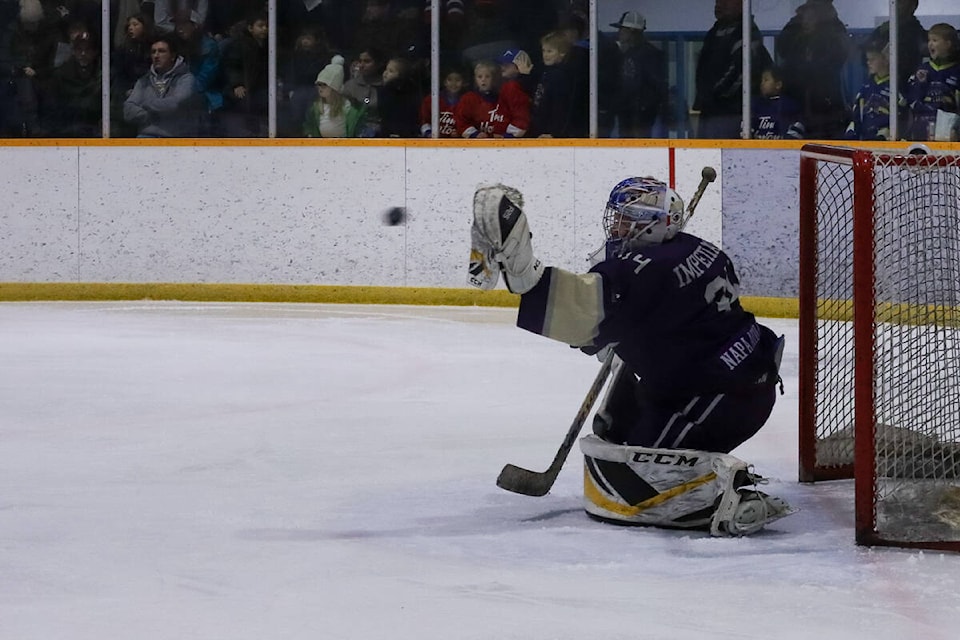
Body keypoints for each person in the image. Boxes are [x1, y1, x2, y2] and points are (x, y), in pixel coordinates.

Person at [468, 178, 792, 535]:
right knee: (617, 436)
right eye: (618, 218)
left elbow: (584, 312)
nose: (618, 227)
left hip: (719, 398)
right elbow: (663, 315)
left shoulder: (644, 269)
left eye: (628, 219)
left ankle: (732, 497)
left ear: (654, 223)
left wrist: (525, 275)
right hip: (742, 376)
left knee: (639, 483)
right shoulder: (700, 249)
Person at [694, 0, 772, 139]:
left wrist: (715, 95)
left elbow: (741, 72)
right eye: (717, 1)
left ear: (742, 5)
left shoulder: (746, 33)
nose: (719, 5)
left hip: (731, 113)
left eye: (726, 1)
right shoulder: (714, 32)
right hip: (711, 111)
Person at [775, 0, 850, 139]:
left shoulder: (834, 30)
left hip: (825, 104)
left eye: (811, 17)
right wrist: (796, 21)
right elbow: (782, 46)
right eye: (804, 17)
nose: (806, 21)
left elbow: (836, 57)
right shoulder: (795, 32)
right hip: (795, 100)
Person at [123, 35, 199, 137]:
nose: (156, 55)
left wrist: (145, 104)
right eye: (153, 52)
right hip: (146, 139)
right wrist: (152, 115)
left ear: (173, 56)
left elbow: (176, 104)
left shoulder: (186, 79)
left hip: (176, 140)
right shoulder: (143, 81)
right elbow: (128, 111)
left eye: (161, 51)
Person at [609, 10, 667, 139]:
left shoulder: (651, 55)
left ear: (632, 31)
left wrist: (643, 108)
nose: (619, 33)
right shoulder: (627, 53)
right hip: (627, 113)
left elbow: (655, 85)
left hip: (640, 115)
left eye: (622, 29)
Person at [905, 23, 960, 141]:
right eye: (929, 40)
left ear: (948, 44)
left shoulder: (956, 71)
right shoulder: (922, 70)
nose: (930, 43)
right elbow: (911, 99)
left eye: (935, 40)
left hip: (947, 131)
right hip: (921, 128)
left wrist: (957, 129)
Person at [220, 12, 269, 137]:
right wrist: (237, 84)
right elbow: (232, 65)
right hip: (242, 89)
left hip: (258, 89)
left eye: (267, 26)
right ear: (250, 28)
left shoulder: (267, 46)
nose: (265, 29)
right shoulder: (240, 44)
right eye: (261, 25)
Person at [455, 58, 528, 138]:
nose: (483, 80)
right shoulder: (469, 99)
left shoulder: (507, 95)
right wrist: (475, 134)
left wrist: (506, 136)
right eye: (479, 77)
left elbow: (521, 118)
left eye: (487, 76)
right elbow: (461, 121)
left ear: (495, 78)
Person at [845, 42, 903, 141]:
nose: (868, 63)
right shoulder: (866, 87)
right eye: (867, 59)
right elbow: (857, 114)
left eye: (872, 59)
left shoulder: (896, 86)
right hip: (866, 141)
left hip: (887, 143)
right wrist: (852, 133)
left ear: (886, 59)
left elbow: (903, 117)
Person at [869, 0, 928, 91]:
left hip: (905, 86)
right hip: (880, 84)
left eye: (901, 2)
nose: (897, 6)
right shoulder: (883, 30)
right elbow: (865, 54)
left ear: (913, 6)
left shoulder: (917, 33)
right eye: (896, 2)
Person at [527, 31, 576, 138]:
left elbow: (560, 107)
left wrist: (554, 133)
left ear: (562, 53)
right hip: (539, 129)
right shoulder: (546, 72)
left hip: (549, 132)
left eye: (550, 51)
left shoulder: (560, 76)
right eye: (544, 50)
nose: (545, 55)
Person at [303, 54, 362, 138]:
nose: (320, 88)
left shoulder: (348, 107)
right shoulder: (315, 107)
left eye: (323, 85)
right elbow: (308, 126)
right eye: (318, 85)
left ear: (334, 87)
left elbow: (355, 128)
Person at [750, 65, 804, 139]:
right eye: (761, 80)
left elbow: (797, 131)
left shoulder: (789, 105)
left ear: (778, 85)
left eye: (766, 80)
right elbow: (747, 129)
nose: (762, 83)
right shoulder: (756, 104)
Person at [342, 47, 384, 137]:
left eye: (367, 61)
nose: (361, 65)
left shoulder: (385, 86)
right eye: (360, 61)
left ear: (379, 64)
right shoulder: (350, 86)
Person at [377, 55, 422, 138]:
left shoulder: (406, 94)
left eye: (391, 71)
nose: (385, 73)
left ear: (401, 75)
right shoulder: (384, 90)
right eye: (386, 69)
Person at [419, 66, 465, 137]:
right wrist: (429, 133)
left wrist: (461, 132)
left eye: (457, 80)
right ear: (444, 82)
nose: (453, 83)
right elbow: (424, 121)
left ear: (464, 82)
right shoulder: (431, 100)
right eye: (450, 80)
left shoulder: (468, 101)